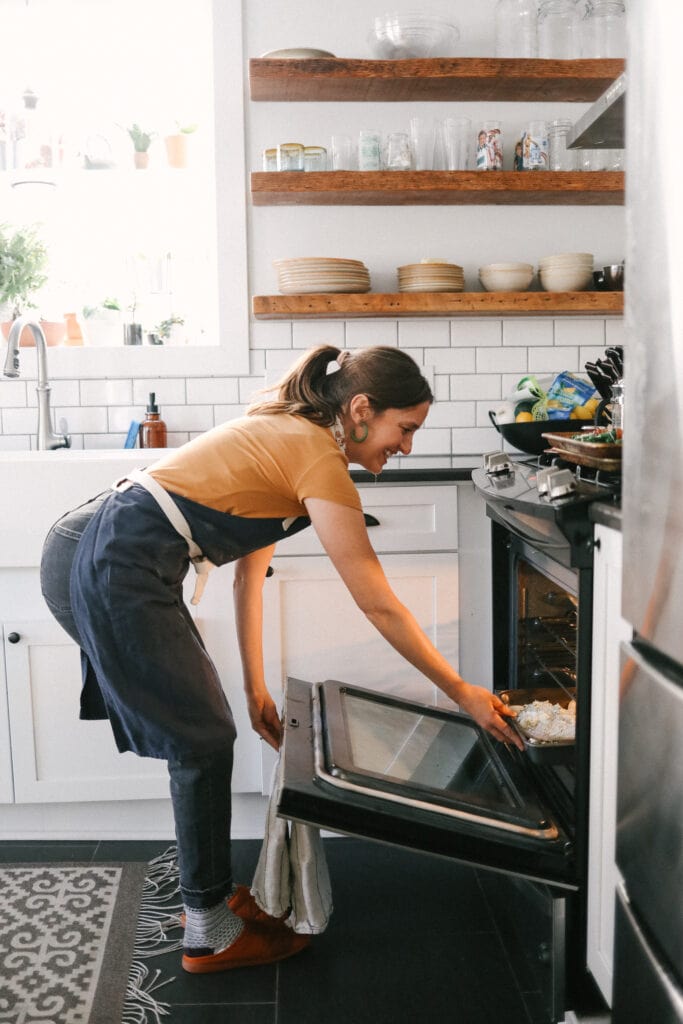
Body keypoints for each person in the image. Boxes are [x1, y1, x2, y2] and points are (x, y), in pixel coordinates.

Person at [39, 344, 522, 975]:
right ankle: (209, 929)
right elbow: (377, 604)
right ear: (360, 409)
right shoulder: (316, 455)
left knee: (205, 732)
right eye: (404, 429)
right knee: (203, 739)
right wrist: (462, 692)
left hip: (104, 548)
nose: (406, 447)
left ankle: (209, 899)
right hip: (108, 557)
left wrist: (255, 688)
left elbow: (250, 577)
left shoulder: (295, 437)